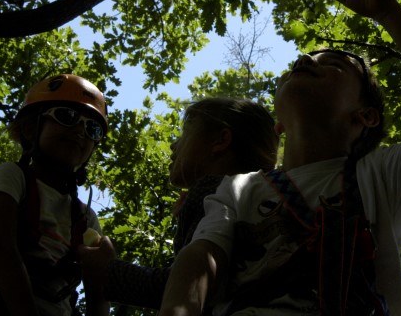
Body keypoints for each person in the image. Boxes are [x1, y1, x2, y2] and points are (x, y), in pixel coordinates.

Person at [157, 0, 401, 316]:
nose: (305, 60)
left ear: (365, 116)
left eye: (333, 64)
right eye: (303, 60)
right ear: (279, 125)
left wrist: (387, 12)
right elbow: (204, 254)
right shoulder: (238, 188)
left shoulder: (378, 176)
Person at [78, 97, 279, 310]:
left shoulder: (211, 190)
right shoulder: (261, 202)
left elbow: (185, 287)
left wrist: (107, 272)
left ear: (220, 141)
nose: (174, 145)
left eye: (185, 133)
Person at [0, 74, 110, 316]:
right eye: (66, 116)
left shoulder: (85, 218)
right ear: (29, 128)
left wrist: (104, 268)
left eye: (92, 128)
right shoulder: (13, 176)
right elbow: (2, 249)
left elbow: (98, 296)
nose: (80, 130)